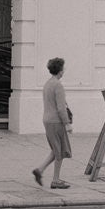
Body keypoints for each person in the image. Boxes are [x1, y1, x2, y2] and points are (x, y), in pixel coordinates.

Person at [33, 56, 72, 189]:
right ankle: (56, 180)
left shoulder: (48, 84)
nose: (64, 70)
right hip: (56, 121)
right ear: (60, 70)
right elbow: (61, 108)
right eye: (63, 68)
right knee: (59, 151)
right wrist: (67, 123)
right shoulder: (58, 85)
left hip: (47, 119)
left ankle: (40, 170)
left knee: (55, 149)